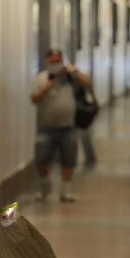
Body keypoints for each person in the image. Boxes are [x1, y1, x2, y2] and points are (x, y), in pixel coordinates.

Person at [31, 48, 93, 201]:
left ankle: (66, 190)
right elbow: (34, 99)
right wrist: (49, 86)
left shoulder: (71, 78)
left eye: (58, 62)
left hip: (68, 127)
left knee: (69, 158)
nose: (55, 65)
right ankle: (45, 185)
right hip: (46, 127)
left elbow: (89, 83)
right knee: (41, 158)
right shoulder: (41, 78)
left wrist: (74, 71)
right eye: (52, 62)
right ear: (47, 62)